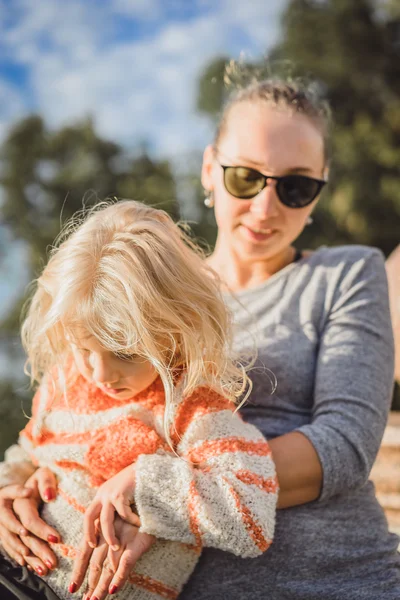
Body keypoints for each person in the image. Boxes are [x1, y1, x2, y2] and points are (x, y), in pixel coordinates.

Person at [175, 74, 399, 599]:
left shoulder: (347, 274)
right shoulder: (157, 297)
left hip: (341, 581)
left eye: (296, 186)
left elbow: (342, 445)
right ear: (210, 169)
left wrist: (163, 499)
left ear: (320, 189)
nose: (266, 207)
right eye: (246, 177)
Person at [0, 200, 278, 600]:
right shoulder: (65, 381)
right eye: (83, 348)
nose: (99, 373)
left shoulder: (191, 406)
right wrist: (10, 492)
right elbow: (25, 454)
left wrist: (140, 482)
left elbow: (251, 515)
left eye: (125, 353)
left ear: (174, 328)